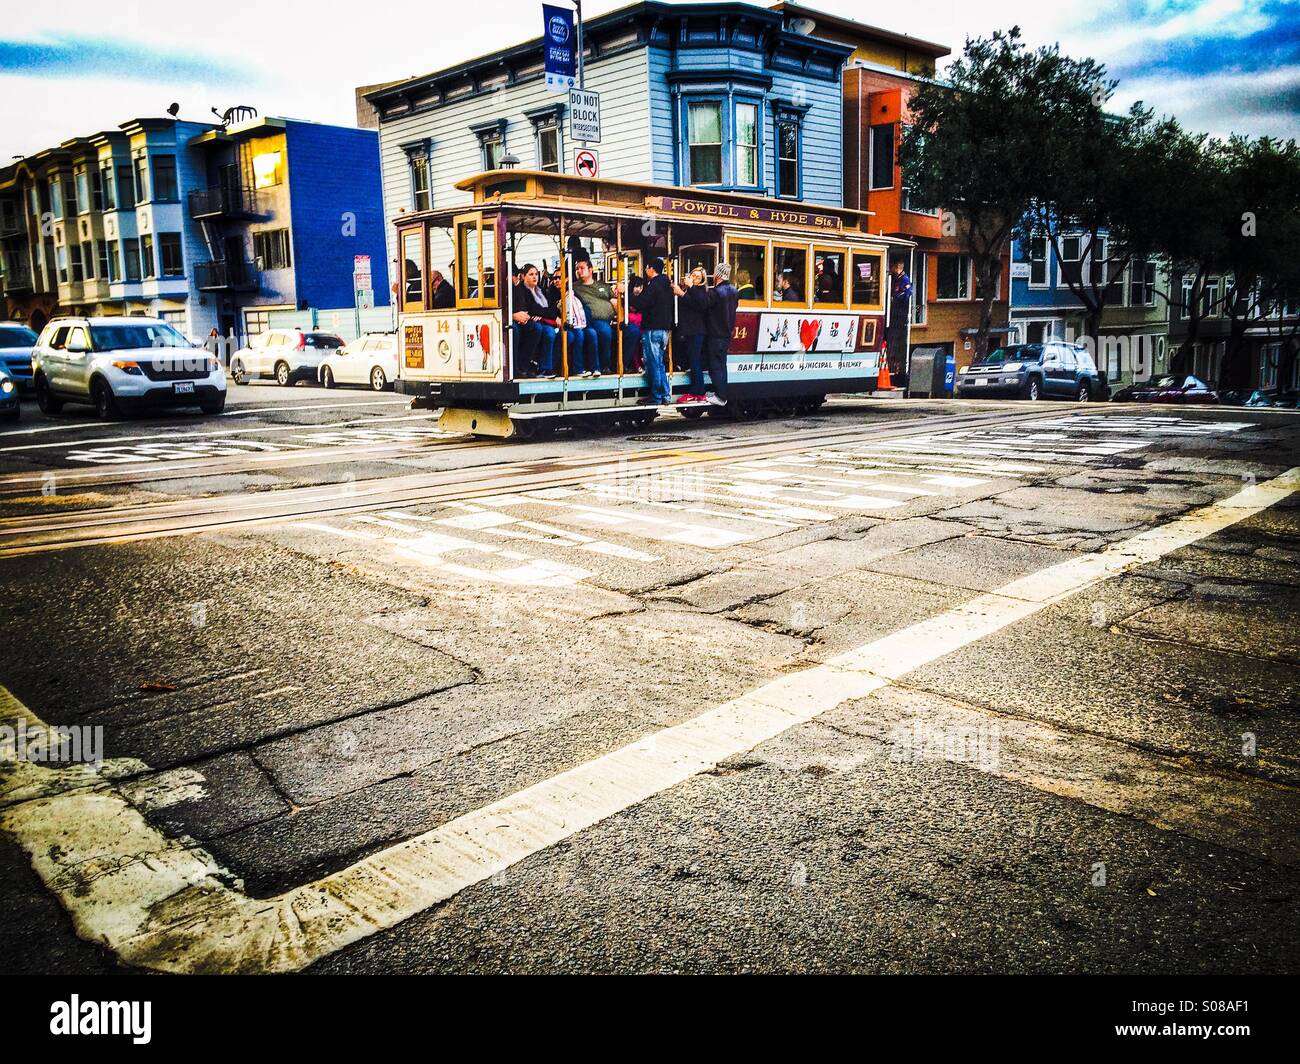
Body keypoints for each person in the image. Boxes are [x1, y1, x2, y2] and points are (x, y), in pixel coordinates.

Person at [632, 256, 674, 405]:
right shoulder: (667, 285)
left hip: (652, 329)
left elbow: (641, 303)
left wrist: (627, 294)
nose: (645, 270)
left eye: (646, 267)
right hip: (664, 330)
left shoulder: (653, 286)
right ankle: (666, 395)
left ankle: (656, 397)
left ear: (651, 269)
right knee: (660, 363)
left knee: (653, 363)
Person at [510, 263, 560, 378]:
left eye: (536, 274)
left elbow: (551, 308)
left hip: (543, 321)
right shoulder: (523, 289)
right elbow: (532, 308)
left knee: (550, 332)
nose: (534, 277)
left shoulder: (542, 290)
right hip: (530, 321)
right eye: (531, 274)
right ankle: (528, 366)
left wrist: (546, 314)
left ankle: (546, 368)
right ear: (523, 276)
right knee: (540, 330)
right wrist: (548, 314)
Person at [701, 262, 738, 406]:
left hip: (715, 334)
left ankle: (720, 396)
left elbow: (704, 307)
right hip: (726, 334)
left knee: (715, 365)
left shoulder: (715, 292)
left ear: (717, 275)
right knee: (722, 365)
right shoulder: (734, 292)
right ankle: (723, 394)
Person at [670, 266, 710, 402]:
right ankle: (695, 390)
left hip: (696, 331)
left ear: (702, 280)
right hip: (687, 331)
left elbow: (701, 304)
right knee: (691, 360)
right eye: (693, 275)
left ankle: (698, 392)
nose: (694, 278)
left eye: (697, 277)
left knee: (695, 361)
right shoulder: (690, 290)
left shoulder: (700, 291)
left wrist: (683, 293)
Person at [573, 258, 617, 376]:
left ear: (590, 270)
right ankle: (605, 366)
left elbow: (614, 301)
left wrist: (622, 318)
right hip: (591, 320)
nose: (579, 271)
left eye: (582, 268)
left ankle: (622, 365)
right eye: (577, 269)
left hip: (610, 319)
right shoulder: (574, 287)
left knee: (631, 330)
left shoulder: (603, 285)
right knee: (605, 331)